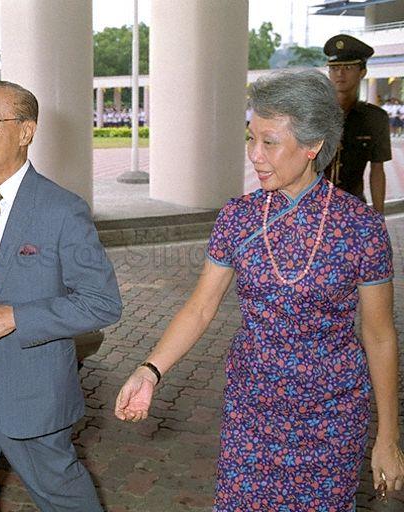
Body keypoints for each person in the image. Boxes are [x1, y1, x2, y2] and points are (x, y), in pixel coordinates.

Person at [115, 70, 404, 510]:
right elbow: (199, 308)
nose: (254, 155)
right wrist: (149, 370)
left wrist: (387, 436)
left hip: (331, 419)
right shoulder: (238, 218)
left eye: (269, 142)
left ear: (313, 147)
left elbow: (380, 336)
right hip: (251, 411)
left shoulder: (360, 228)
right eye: (251, 139)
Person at [0, 80, 123, 511]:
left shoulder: (61, 209)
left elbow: (102, 301)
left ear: (26, 132)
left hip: (31, 392)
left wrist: (21, 317)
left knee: (63, 497)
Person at [323, 34, 391, 213]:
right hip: (313, 210)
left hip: (353, 209)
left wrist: (379, 216)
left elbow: (377, 170)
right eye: (334, 68)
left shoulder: (375, 118)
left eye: (348, 67)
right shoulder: (313, 113)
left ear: (362, 72)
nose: (340, 73)